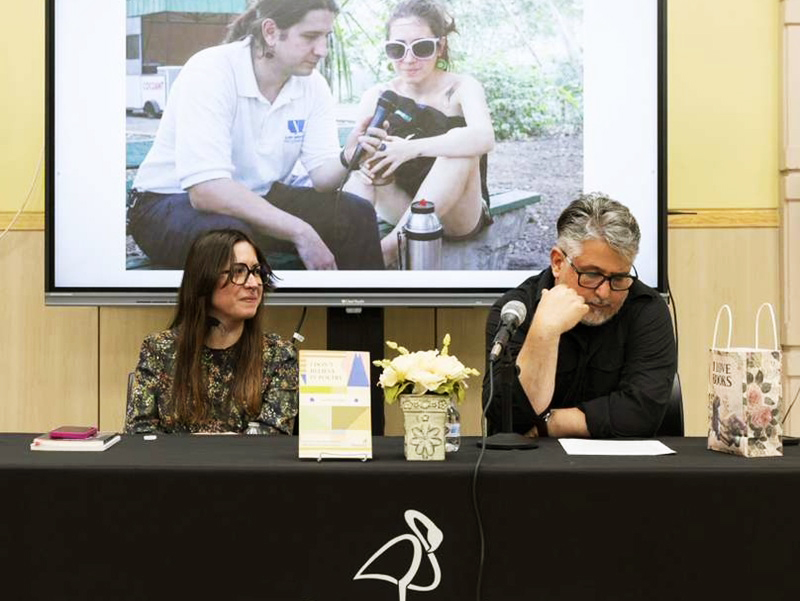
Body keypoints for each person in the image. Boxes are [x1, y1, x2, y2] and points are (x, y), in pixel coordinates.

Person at [128, 0, 384, 271]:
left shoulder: (313, 85)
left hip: (256, 198)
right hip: (167, 202)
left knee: (355, 214)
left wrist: (348, 156)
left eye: (326, 37)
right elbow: (205, 191)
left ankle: (360, 300)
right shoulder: (211, 70)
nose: (322, 50)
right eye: (310, 36)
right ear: (270, 32)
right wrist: (301, 231)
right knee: (232, 240)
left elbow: (322, 178)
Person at [482, 193, 676, 438]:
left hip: (619, 458)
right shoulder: (514, 312)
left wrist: (549, 423)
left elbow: (642, 412)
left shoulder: (646, 310)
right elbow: (506, 418)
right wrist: (544, 331)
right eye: (592, 275)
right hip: (530, 459)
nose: (604, 293)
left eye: (619, 278)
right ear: (558, 262)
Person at [343, 0, 495, 267]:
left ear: (440, 46)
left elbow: (484, 137)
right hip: (402, 205)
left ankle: (390, 249)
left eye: (421, 47)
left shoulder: (462, 87)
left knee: (460, 148)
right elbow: (356, 157)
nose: (409, 59)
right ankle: (353, 249)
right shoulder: (379, 95)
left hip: (459, 214)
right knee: (362, 172)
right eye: (397, 49)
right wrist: (364, 163)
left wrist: (411, 148)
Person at [125, 229, 298, 434]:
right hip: (173, 458)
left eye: (257, 271)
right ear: (204, 279)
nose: (254, 284)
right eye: (238, 271)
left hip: (245, 459)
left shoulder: (279, 355)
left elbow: (273, 436)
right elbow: (140, 433)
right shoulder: (159, 350)